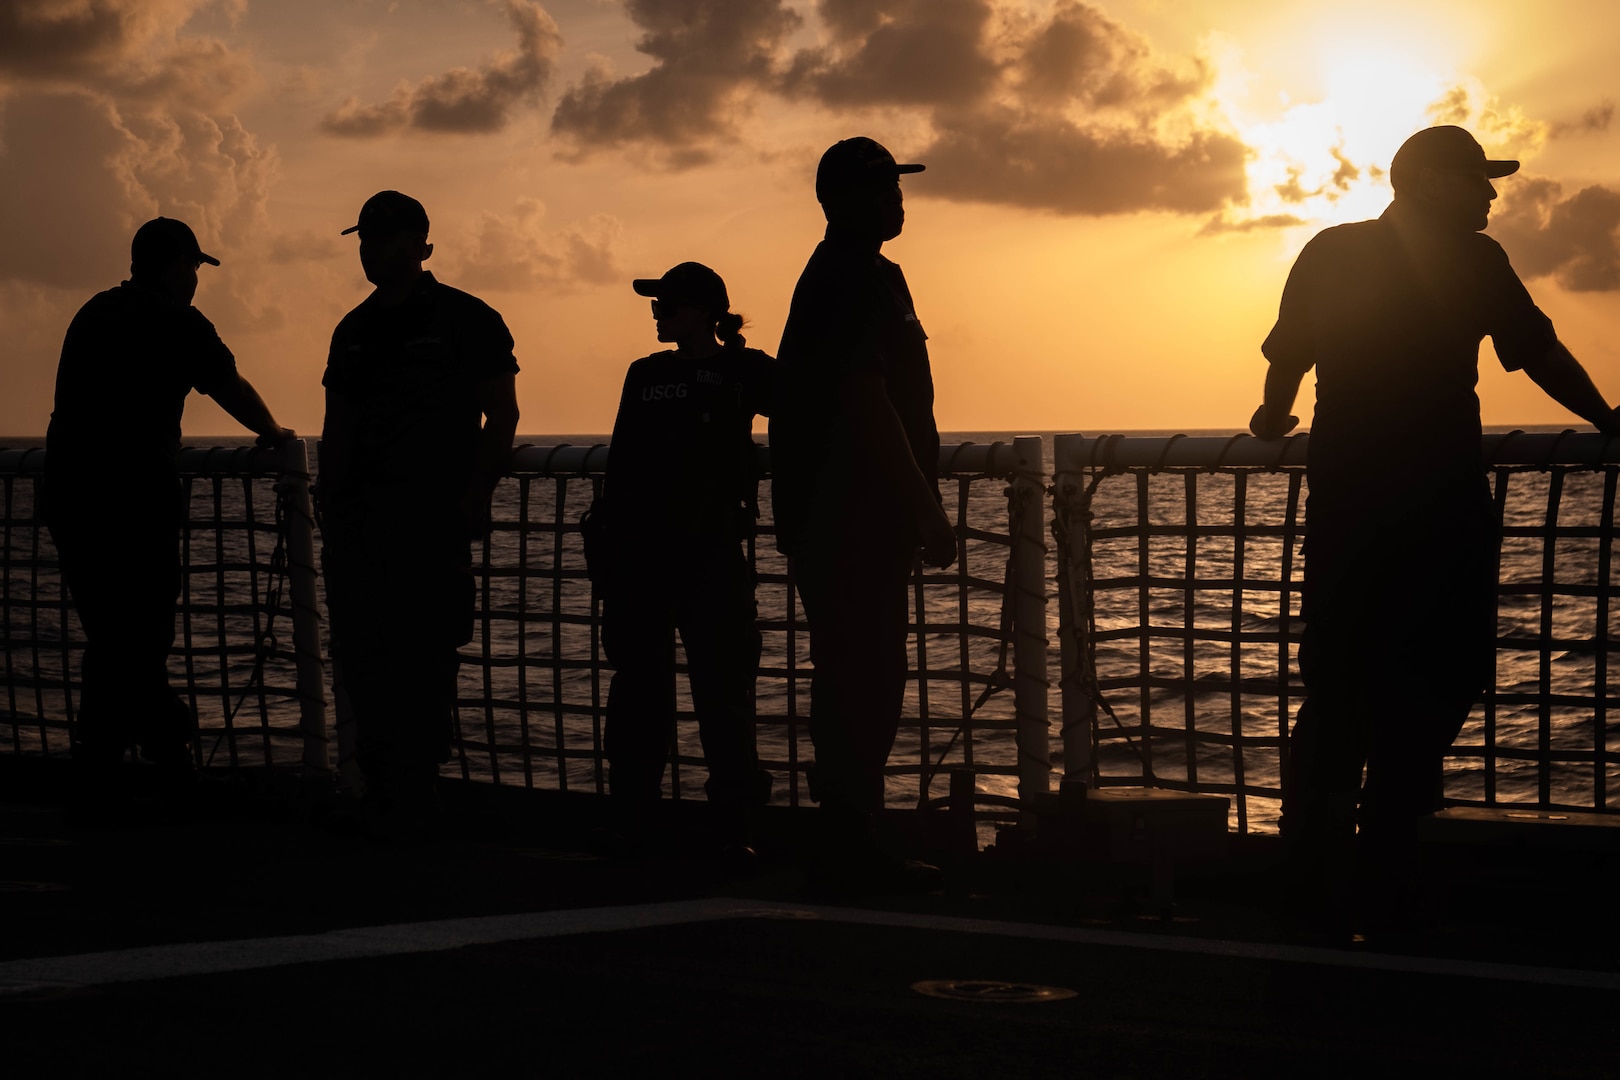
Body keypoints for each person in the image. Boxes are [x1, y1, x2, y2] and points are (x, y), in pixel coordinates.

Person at [1250, 125, 1620, 921]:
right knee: (1438, 674)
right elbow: (1541, 354)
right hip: (1442, 500)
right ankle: (1387, 859)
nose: (1490, 194)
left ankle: (1308, 862)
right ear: (1423, 182)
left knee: (1340, 677)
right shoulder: (1477, 263)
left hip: (1347, 501)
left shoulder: (1330, 250)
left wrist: (1274, 417)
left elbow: (1289, 358)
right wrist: (1607, 420)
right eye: (1475, 179)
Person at [45, 217, 294, 812]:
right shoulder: (178, 323)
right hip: (132, 498)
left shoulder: (93, 313)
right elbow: (228, 385)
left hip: (71, 496)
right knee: (140, 634)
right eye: (193, 267)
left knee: (113, 635)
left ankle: (118, 770)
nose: (196, 279)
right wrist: (274, 432)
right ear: (174, 265)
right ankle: (156, 768)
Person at [769, 137, 956, 888]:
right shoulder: (848, 280)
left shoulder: (875, 276)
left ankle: (850, 832)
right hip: (849, 514)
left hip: (856, 513)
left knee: (863, 672)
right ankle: (850, 841)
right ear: (842, 201)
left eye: (897, 187)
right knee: (860, 674)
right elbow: (865, 400)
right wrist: (926, 506)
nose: (897, 199)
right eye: (882, 188)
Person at [320, 190, 520, 832]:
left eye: (382, 239)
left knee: (427, 654)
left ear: (420, 244)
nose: (370, 252)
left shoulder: (467, 319)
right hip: (361, 522)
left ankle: (418, 787)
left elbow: (503, 414)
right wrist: (331, 508)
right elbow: (337, 427)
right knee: (365, 654)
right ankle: (383, 784)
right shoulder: (352, 329)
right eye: (364, 240)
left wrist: (476, 497)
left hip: (432, 519)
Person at [596, 262, 775, 855]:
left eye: (668, 304)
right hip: (644, 558)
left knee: (722, 697)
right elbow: (621, 468)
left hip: (710, 554)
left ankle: (732, 827)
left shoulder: (744, 371)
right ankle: (634, 819)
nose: (657, 313)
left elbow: (808, 407)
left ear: (703, 310)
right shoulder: (643, 374)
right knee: (641, 697)